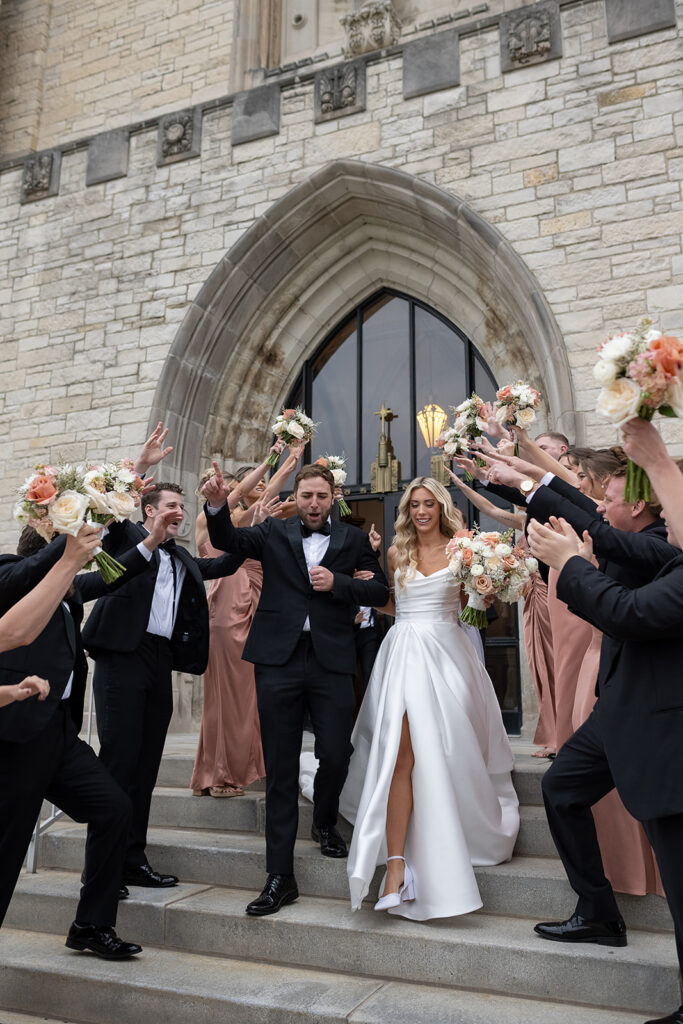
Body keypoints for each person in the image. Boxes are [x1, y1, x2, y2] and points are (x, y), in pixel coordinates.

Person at [203, 461, 389, 916]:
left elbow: (380, 591)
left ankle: (325, 821)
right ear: (297, 497)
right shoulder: (271, 533)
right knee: (281, 769)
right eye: (306, 495)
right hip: (277, 662)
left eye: (321, 496)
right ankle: (279, 877)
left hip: (331, 662)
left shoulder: (352, 540)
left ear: (332, 498)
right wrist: (214, 504)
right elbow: (227, 540)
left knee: (337, 753)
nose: (312, 503)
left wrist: (339, 583)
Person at [527, 514, 683, 1024]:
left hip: (658, 716)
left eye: (610, 491)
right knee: (560, 788)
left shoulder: (659, 546)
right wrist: (522, 480)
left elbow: (628, 611)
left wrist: (570, 561)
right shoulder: (651, 542)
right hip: (618, 705)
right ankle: (598, 912)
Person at [341, 477, 519, 920]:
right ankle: (396, 868)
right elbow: (398, 606)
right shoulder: (397, 552)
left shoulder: (464, 549)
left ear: (442, 508)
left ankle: (451, 827)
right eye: (415, 504)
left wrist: (487, 587)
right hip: (402, 654)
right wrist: (359, 590)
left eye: (429, 504)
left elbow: (469, 611)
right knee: (401, 756)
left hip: (446, 655)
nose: (422, 511)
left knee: (443, 751)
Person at [0, 514, 173, 957]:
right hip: (15, 737)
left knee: (114, 808)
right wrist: (65, 545)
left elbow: (113, 575)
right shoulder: (8, 573)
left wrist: (150, 538)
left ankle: (91, 926)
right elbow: (26, 575)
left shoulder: (69, 592)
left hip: (59, 732)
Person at [82, 481, 246, 889]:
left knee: (146, 765)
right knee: (119, 763)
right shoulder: (127, 536)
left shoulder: (182, 556)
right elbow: (105, 509)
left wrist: (250, 526)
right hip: (122, 657)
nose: (178, 511)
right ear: (148, 511)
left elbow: (224, 565)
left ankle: (133, 858)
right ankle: (101, 869)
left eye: (181, 506)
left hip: (159, 660)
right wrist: (139, 468)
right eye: (171, 505)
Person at [191, 445, 303, 798]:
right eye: (221, 488)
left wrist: (294, 467)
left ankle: (224, 769)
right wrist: (275, 461)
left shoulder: (259, 514)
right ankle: (220, 774)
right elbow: (244, 496)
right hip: (227, 607)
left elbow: (279, 500)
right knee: (229, 695)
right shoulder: (211, 520)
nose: (260, 489)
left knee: (248, 693)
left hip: (255, 602)